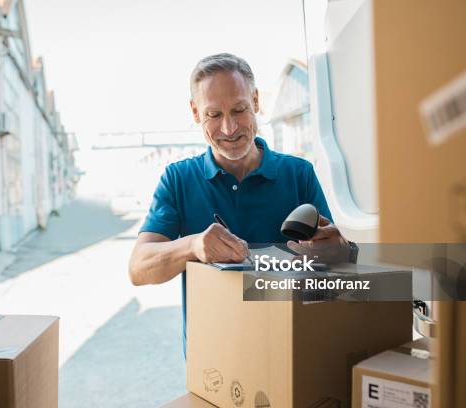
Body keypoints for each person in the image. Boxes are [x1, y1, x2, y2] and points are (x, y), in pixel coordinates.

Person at [128, 53, 352, 356]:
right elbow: (139, 269)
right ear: (195, 113)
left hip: (291, 350)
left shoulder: (299, 174)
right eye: (213, 115)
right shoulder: (178, 179)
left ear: (256, 101)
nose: (229, 128)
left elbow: (338, 265)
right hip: (214, 360)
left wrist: (340, 251)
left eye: (239, 109)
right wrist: (193, 246)